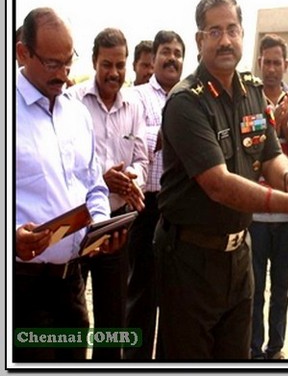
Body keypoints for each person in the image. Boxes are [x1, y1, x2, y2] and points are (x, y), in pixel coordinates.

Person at [154, 0, 288, 360]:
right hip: (190, 259)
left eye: (232, 30)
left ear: (242, 34)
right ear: (200, 40)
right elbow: (218, 185)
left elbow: (270, 154)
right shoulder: (186, 101)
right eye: (215, 31)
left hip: (238, 256)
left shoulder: (252, 91)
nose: (225, 40)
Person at [14, 7, 117, 361]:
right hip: (20, 288)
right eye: (52, 64)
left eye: (68, 61)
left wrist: (102, 226)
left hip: (71, 283)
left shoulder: (76, 113)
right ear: (22, 53)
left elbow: (93, 185)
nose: (62, 74)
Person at [68, 27, 149, 360]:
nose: (114, 73)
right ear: (94, 62)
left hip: (115, 226)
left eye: (120, 65)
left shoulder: (134, 105)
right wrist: (101, 181)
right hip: (77, 221)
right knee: (72, 313)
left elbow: (142, 159)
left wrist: (130, 180)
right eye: (106, 65)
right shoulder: (73, 102)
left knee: (113, 314)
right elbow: (66, 162)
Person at [124, 30, 185, 360]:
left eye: (177, 53)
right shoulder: (136, 97)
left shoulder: (189, 98)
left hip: (180, 208)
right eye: (166, 52)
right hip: (147, 207)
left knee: (175, 296)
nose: (172, 58)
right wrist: (172, 129)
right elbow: (135, 139)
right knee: (142, 293)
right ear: (155, 57)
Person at [250, 34, 288, 360]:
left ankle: (276, 347)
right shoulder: (248, 99)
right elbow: (248, 148)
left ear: (286, 65)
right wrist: (270, 128)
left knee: (281, 286)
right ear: (260, 63)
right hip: (256, 208)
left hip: (287, 211)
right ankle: (254, 348)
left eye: (277, 63)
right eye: (266, 62)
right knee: (255, 287)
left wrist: (284, 128)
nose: (271, 68)